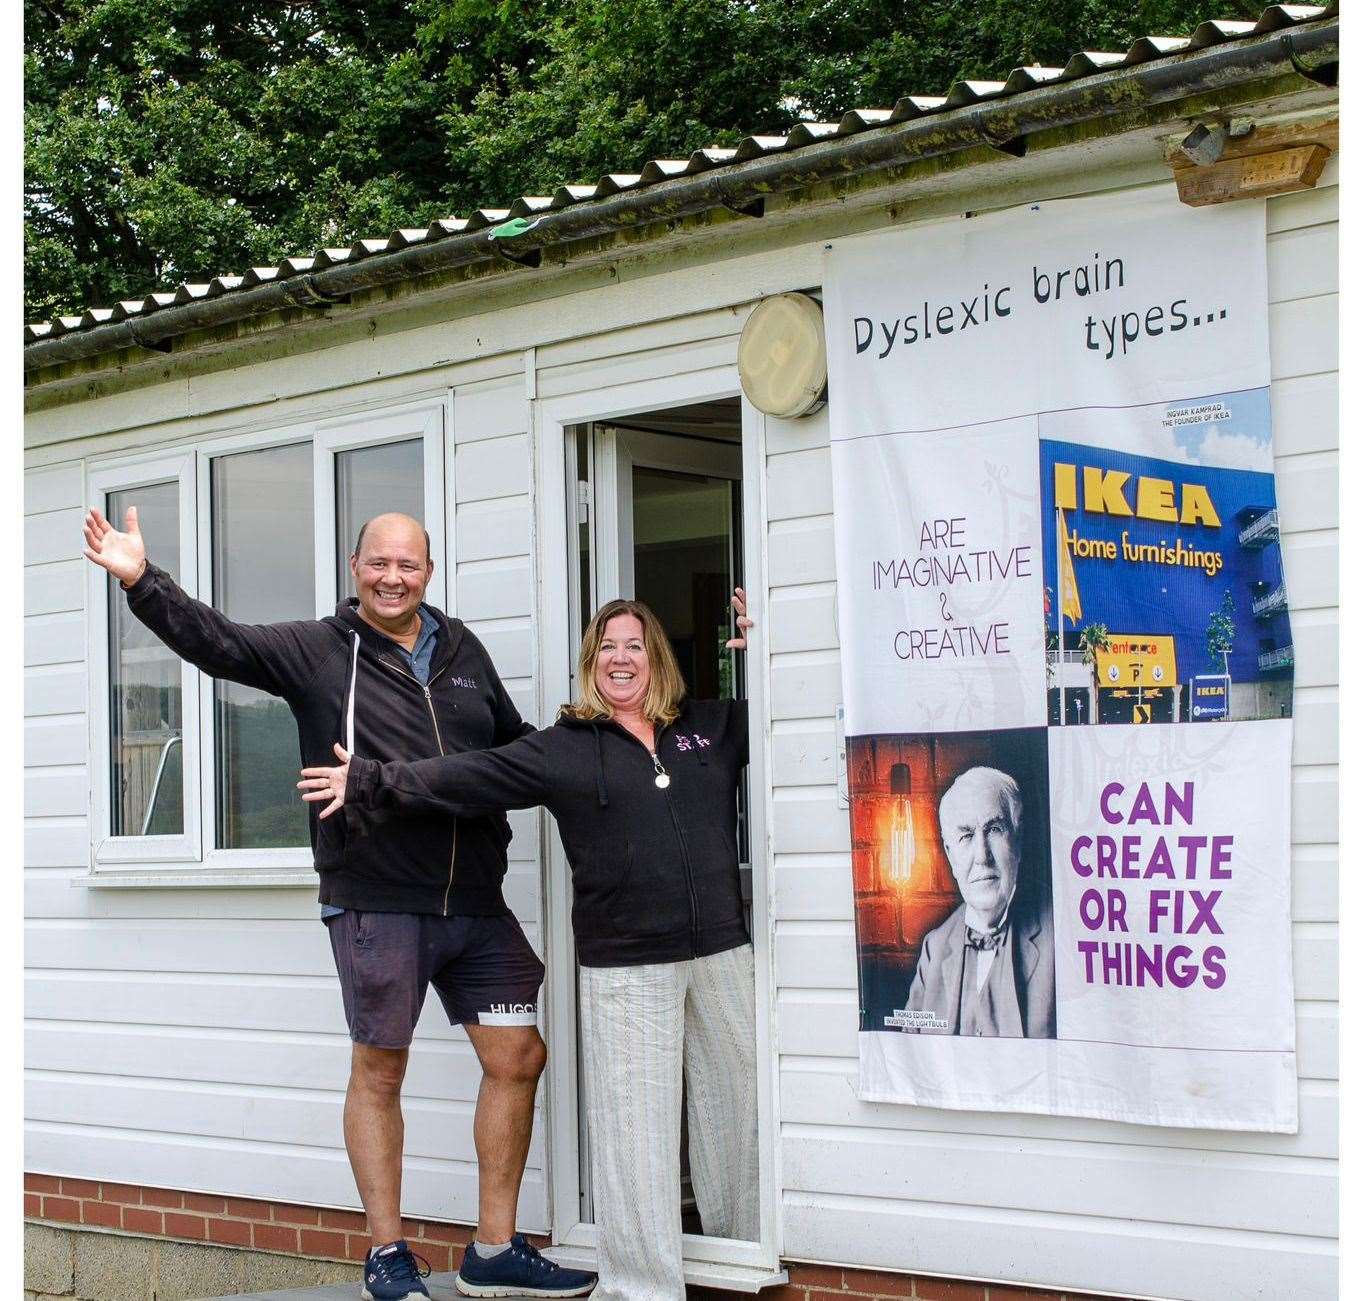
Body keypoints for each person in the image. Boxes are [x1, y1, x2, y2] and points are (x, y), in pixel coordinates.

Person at [82, 506, 596, 1301]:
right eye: (379, 561)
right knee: (381, 1068)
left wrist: (594, 745)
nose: (394, 576)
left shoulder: (461, 650)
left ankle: (494, 1247)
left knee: (518, 1055)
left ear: (430, 570)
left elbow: (513, 746)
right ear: (356, 564)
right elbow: (222, 643)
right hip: (378, 896)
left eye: (410, 564)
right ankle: (386, 1254)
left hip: (476, 900)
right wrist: (143, 582)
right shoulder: (320, 651)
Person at [300, 595, 759, 1301]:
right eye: (606, 647)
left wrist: (769, 647)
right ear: (590, 664)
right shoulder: (565, 746)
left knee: (734, 1110)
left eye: (634, 645)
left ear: (656, 656)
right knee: (635, 1135)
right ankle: (641, 1289)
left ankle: (735, 1262)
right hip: (627, 964)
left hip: (722, 952)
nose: (620, 658)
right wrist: (368, 779)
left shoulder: (710, 728)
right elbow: (462, 776)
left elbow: (797, 719)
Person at [905, 765, 1056, 1039]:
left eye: (994, 829)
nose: (981, 856)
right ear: (950, 856)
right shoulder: (935, 947)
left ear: (1018, 841)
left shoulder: (1061, 938)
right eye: (965, 836)